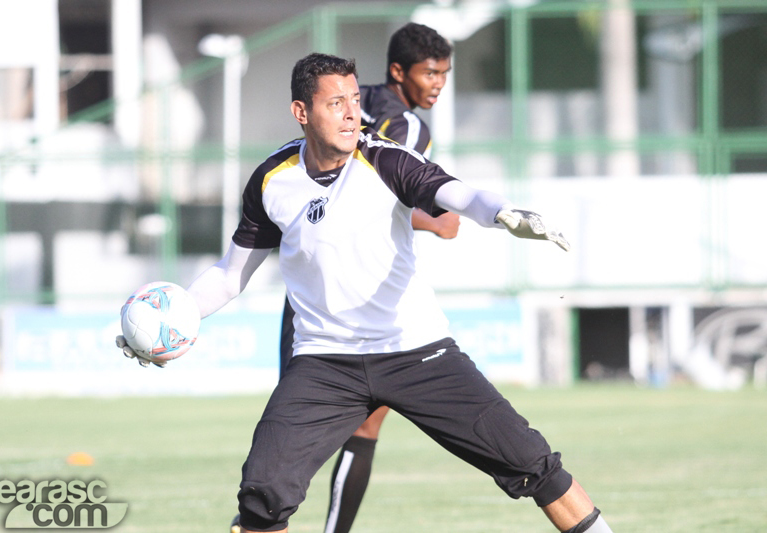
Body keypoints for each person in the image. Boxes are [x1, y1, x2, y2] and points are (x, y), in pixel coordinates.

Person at [118, 53, 611, 533]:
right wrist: (174, 320)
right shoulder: (271, 180)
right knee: (262, 495)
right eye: (336, 103)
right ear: (301, 112)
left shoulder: (385, 159)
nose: (353, 112)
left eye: (355, 99)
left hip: (418, 354)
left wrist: (503, 213)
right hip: (324, 365)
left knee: (532, 462)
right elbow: (230, 275)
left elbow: (458, 194)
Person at [275, 22, 457, 533]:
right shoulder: (407, 128)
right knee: (361, 424)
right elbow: (387, 193)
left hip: (308, 291)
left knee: (295, 428)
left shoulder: (350, 99)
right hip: (360, 295)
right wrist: (440, 219)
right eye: (430, 72)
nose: (438, 83)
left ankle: (259, 516)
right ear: (400, 72)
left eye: (444, 73)